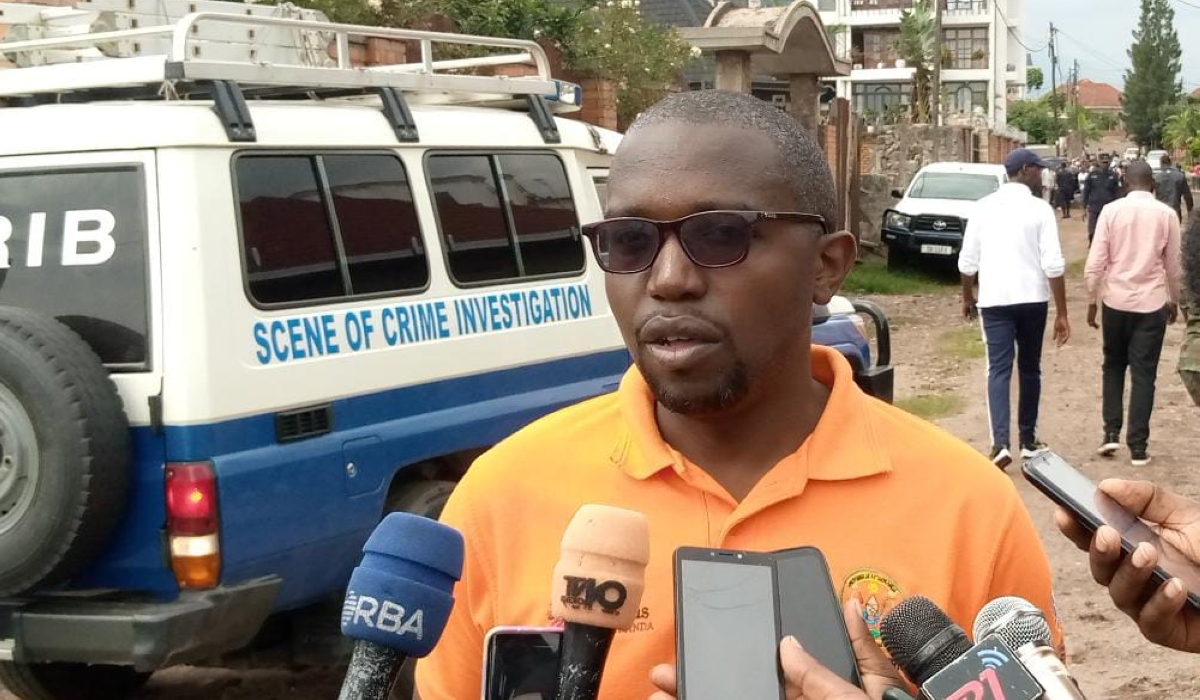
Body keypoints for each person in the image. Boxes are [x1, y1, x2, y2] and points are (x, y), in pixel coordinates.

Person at [414, 91, 1064, 700]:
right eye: (631, 241)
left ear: (826, 266)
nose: (668, 280)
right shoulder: (500, 501)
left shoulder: (970, 511)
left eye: (721, 235)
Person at [958, 148, 1070, 469]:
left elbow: (967, 263)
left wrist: (967, 297)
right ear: (1024, 170)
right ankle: (1029, 440)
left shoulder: (982, 209)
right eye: (1038, 169)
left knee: (998, 369)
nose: (1042, 174)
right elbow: (1053, 264)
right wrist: (1061, 312)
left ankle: (1000, 444)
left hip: (995, 302)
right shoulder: (1040, 210)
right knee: (1030, 368)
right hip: (1033, 300)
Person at [1084, 161, 1182, 466]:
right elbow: (1174, 266)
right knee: (1144, 375)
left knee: (1113, 366)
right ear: (1152, 184)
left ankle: (1110, 434)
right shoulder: (1167, 214)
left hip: (1115, 301)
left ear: (1126, 183)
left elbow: (1096, 260)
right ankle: (1138, 447)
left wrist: (1092, 300)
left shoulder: (1111, 212)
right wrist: (1174, 300)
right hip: (1152, 304)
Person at [1085, 154, 1122, 244]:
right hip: (1094, 207)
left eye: (1107, 162)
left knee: (1109, 229)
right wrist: (1084, 206)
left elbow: (1117, 192)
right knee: (1092, 229)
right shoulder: (1092, 175)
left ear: (1109, 162)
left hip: (1109, 208)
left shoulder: (1114, 176)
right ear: (1099, 162)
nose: (1105, 164)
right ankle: (1092, 243)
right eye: (1103, 162)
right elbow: (1086, 191)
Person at [1153, 154, 1194, 221]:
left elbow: (1151, 195)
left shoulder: (1156, 178)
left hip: (1161, 212)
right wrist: (1190, 209)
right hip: (1175, 211)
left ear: (1161, 164)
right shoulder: (1180, 176)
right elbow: (1187, 195)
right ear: (1170, 163)